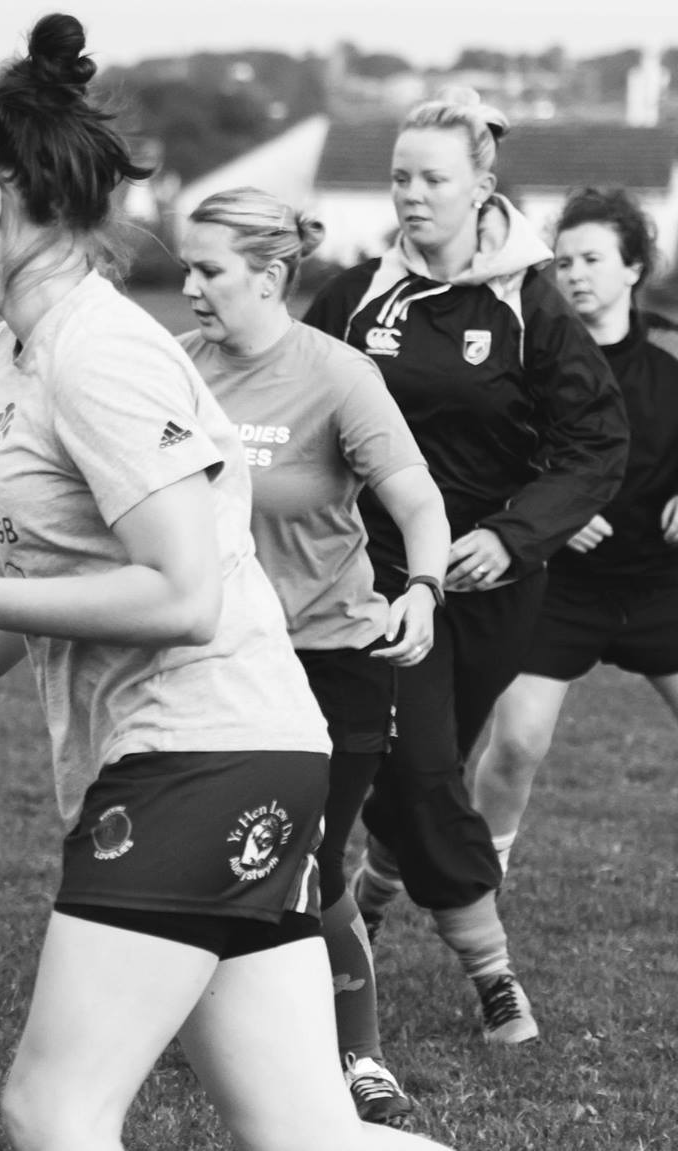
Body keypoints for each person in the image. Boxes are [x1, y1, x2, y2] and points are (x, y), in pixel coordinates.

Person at [0, 16, 455, 1150]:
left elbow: (178, 593)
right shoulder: (0, 359)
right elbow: (34, 583)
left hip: (202, 754)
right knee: (308, 1131)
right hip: (213, 755)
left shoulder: (98, 352)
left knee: (50, 1110)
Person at [303, 87, 628, 1045]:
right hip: (374, 581)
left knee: (421, 773)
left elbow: (594, 445)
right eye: (400, 177)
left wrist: (515, 534)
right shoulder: (358, 295)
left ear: (481, 184)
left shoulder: (530, 299)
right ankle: (496, 978)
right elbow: (290, 382)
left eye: (433, 179)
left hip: (492, 589)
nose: (411, 195)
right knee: (423, 761)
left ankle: (361, 906)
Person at [177, 186, 452, 1127]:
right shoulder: (173, 371)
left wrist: (422, 587)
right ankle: (234, 1024)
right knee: (229, 861)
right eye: (187, 266)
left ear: (271, 274)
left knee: (309, 862)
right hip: (216, 659)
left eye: (209, 270)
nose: (188, 287)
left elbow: (417, 502)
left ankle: (359, 1056)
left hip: (333, 658)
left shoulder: (337, 376)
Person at [471, 187, 678, 870]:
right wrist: (555, 508)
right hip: (559, 588)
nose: (575, 274)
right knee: (519, 742)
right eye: (562, 262)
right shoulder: (531, 363)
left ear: (633, 269)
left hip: (658, 586)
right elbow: (487, 462)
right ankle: (479, 882)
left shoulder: (669, 369)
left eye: (592, 258)